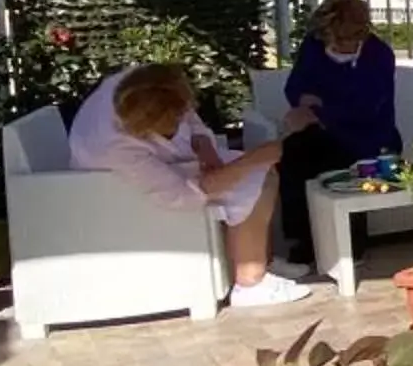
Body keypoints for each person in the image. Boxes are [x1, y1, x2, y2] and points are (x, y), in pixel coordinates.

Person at [67, 61, 314, 308]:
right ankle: (250, 283)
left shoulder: (143, 83)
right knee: (251, 176)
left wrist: (204, 145)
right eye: (172, 122)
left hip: (156, 167)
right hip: (114, 192)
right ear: (150, 123)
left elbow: (189, 116)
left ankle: (260, 259)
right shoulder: (112, 147)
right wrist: (247, 162)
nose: (180, 120)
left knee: (262, 173)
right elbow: (180, 196)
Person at [278, 0, 402, 268]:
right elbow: (296, 87)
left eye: (344, 39)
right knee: (293, 153)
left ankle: (352, 243)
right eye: (331, 39)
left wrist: (319, 110)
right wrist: (306, 105)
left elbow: (368, 107)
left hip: (371, 136)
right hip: (322, 131)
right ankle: (303, 240)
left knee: (339, 159)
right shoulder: (313, 46)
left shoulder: (378, 55)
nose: (336, 46)